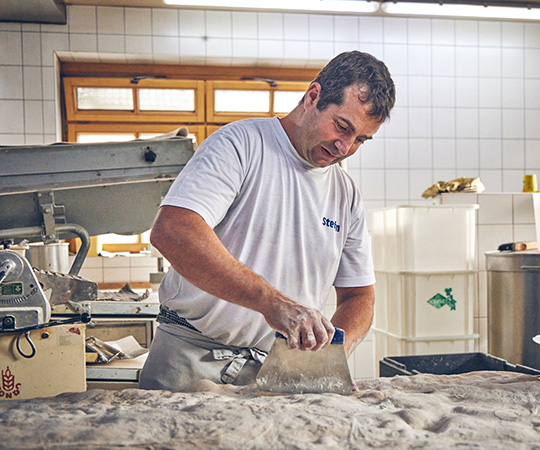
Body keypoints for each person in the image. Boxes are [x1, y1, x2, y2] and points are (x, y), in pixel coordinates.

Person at [138, 50, 396, 391]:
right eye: (342, 126)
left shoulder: (345, 195)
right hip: (189, 361)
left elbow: (358, 297)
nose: (345, 147)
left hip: (276, 372)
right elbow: (173, 230)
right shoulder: (240, 146)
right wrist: (272, 303)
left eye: (361, 139)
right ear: (313, 96)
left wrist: (326, 358)